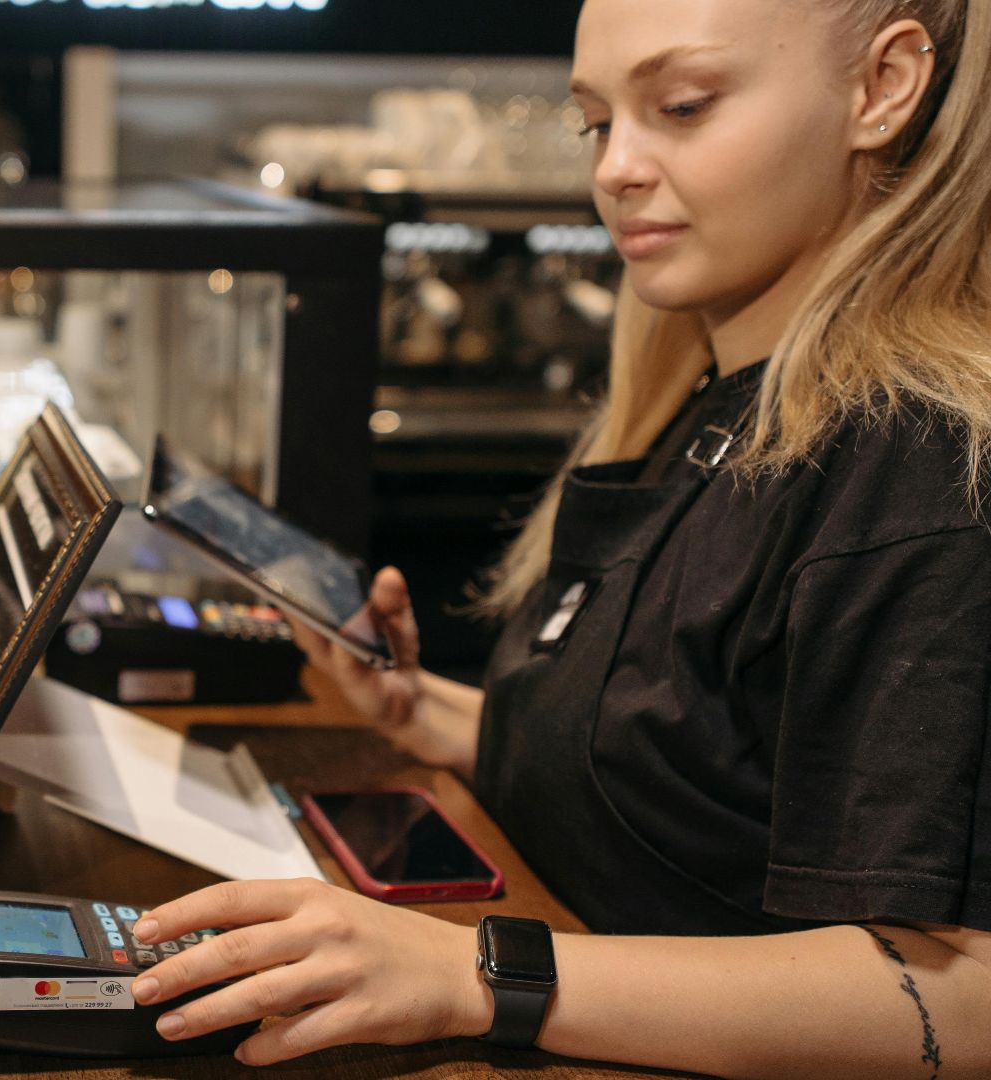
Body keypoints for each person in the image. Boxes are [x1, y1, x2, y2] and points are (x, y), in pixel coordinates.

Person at [129, 0, 991, 1074]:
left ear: (884, 88)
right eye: (597, 122)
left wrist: (469, 974)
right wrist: (426, 714)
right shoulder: (710, 392)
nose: (618, 168)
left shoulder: (923, 469)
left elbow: (959, 1004)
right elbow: (704, 773)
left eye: (681, 106)